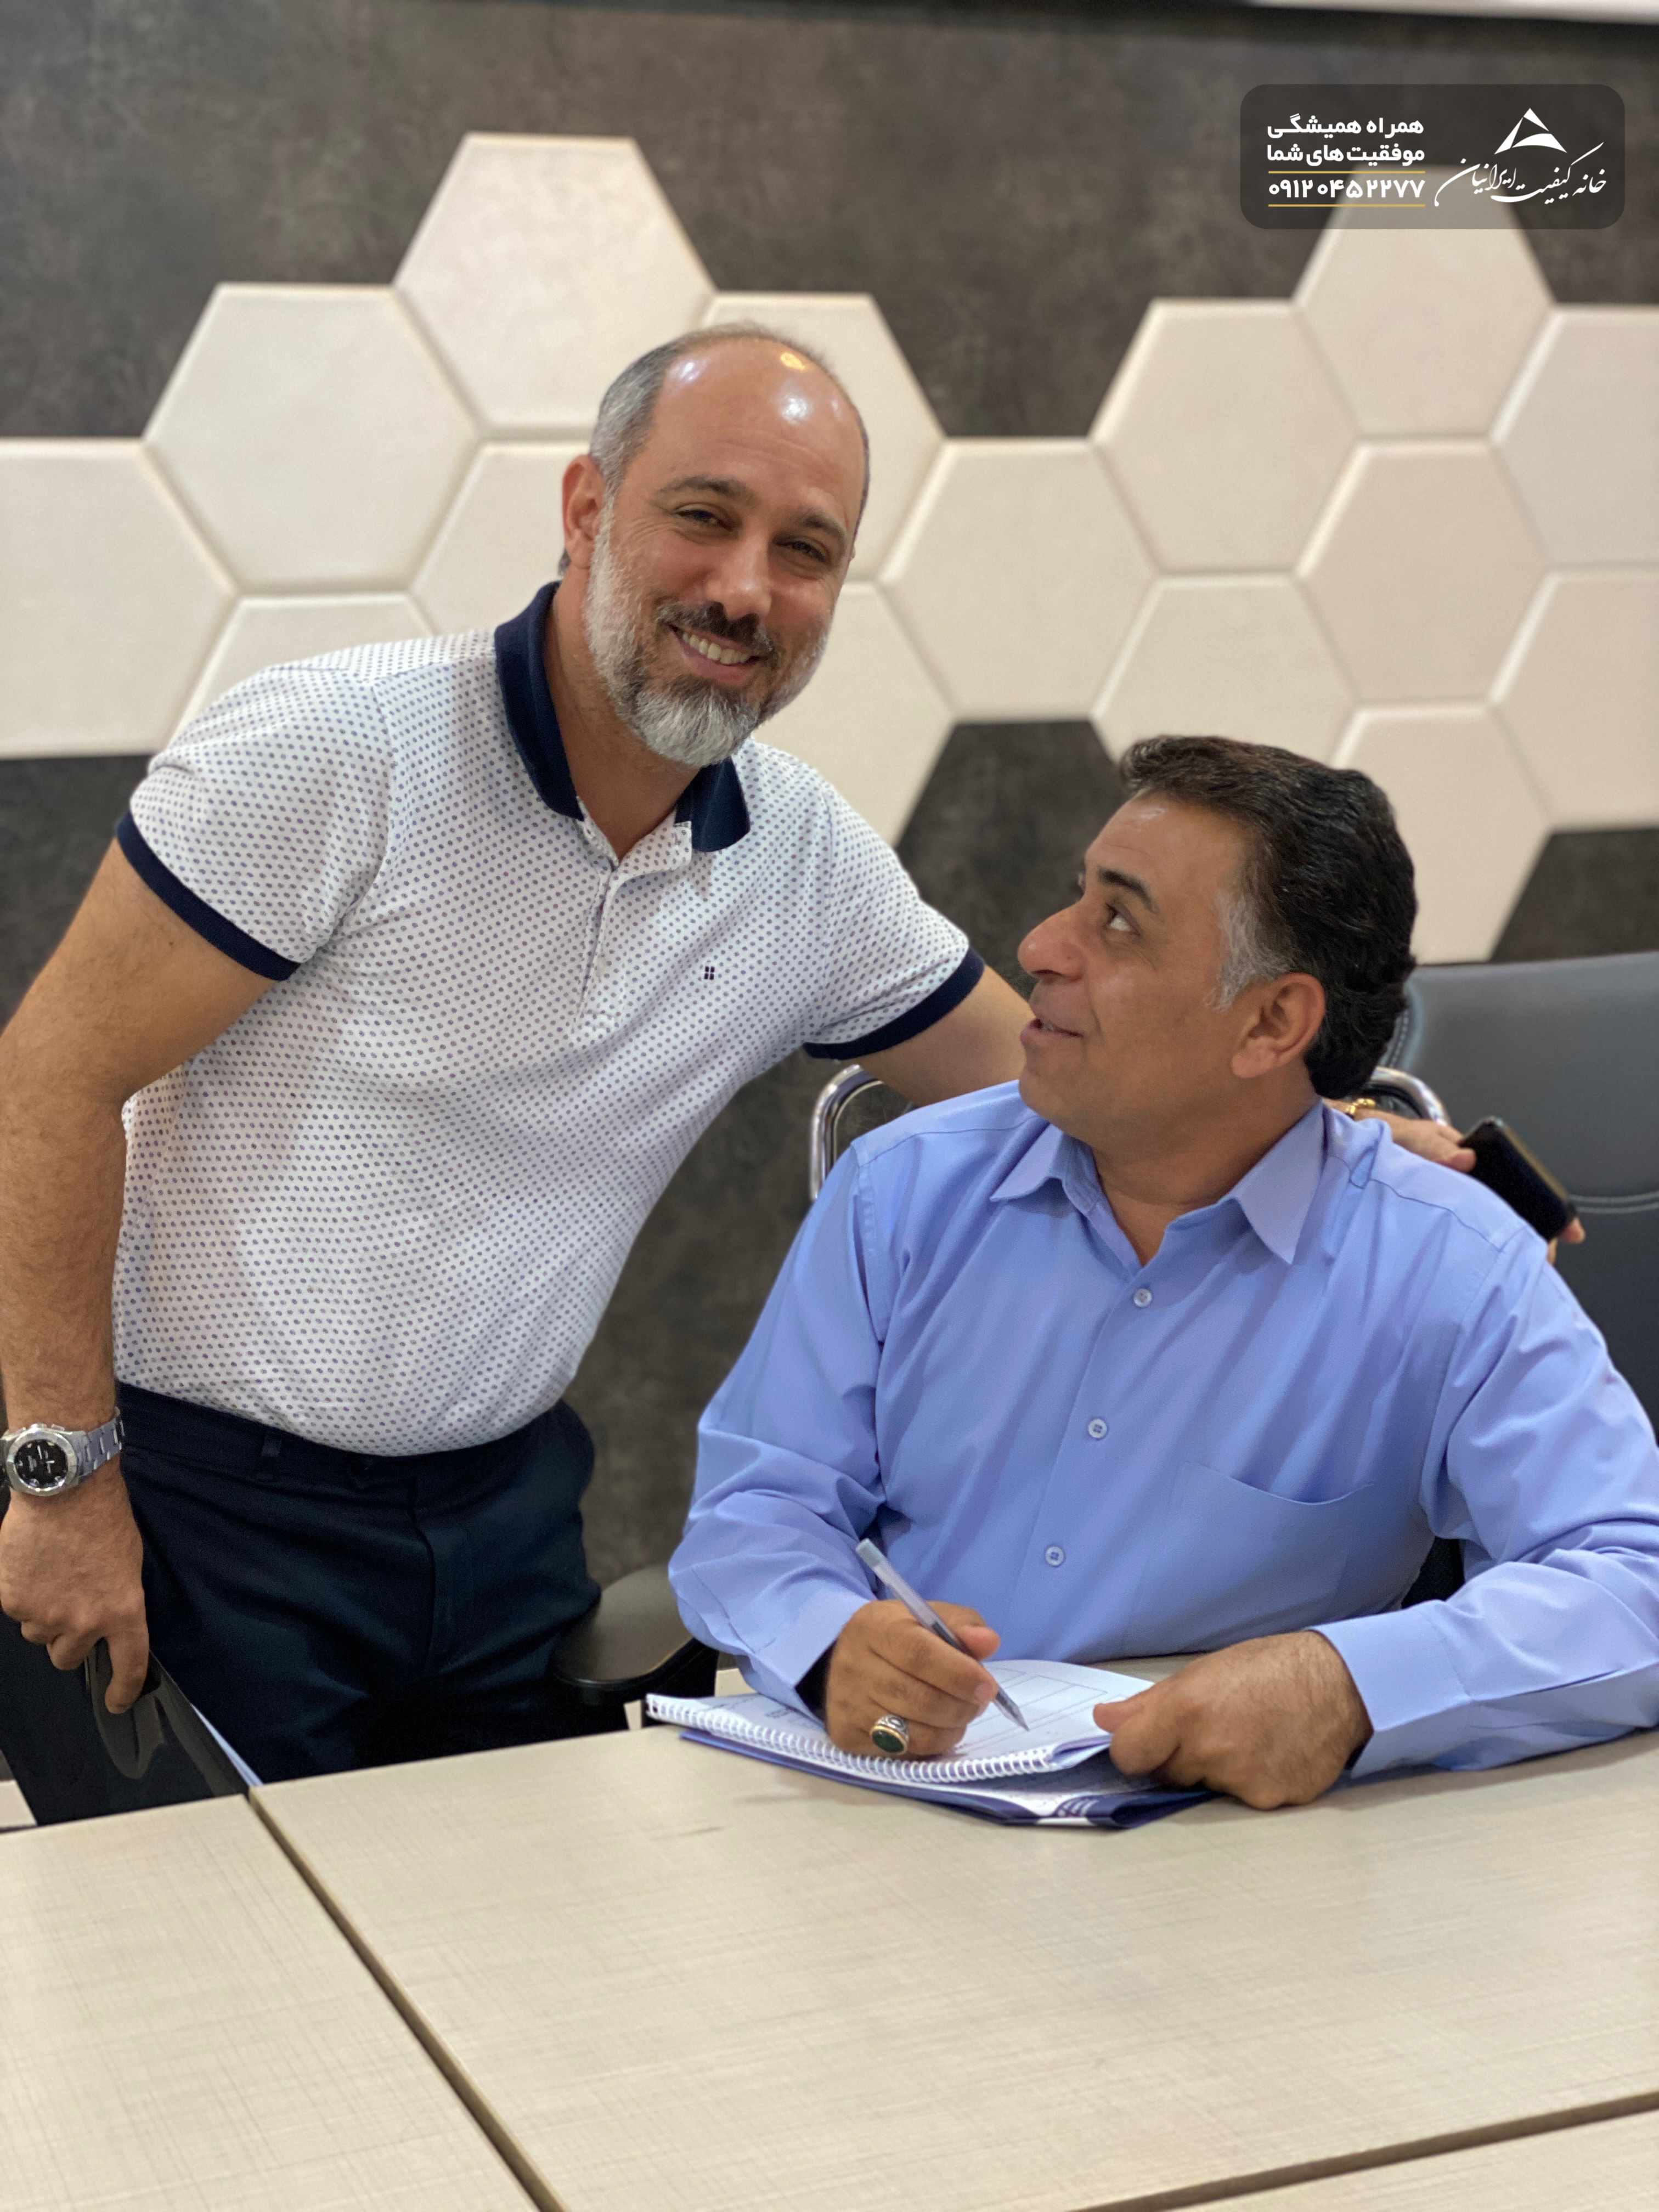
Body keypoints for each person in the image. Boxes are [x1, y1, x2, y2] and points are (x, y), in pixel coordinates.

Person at [0, 324, 1459, 1783]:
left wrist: (1325, 1135)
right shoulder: (337, 751)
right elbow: (47, 1077)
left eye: (804, 550)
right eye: (703, 516)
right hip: (193, 1506)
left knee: (512, 1924)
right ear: (587, 509)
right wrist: (60, 1480)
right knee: (235, 1933)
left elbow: (1067, 1077)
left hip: (505, 1522)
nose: (746, 590)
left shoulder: (800, 858)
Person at [670, 736, 1659, 1809]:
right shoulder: (900, 1192)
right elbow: (755, 1509)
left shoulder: (1450, 1262)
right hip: (900, 1796)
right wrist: (830, 1647)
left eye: (1119, 922)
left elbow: (1633, 1579)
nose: (1040, 947)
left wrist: (1352, 1688)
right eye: (1077, 896)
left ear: (1271, 1023)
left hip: (1244, 1841)